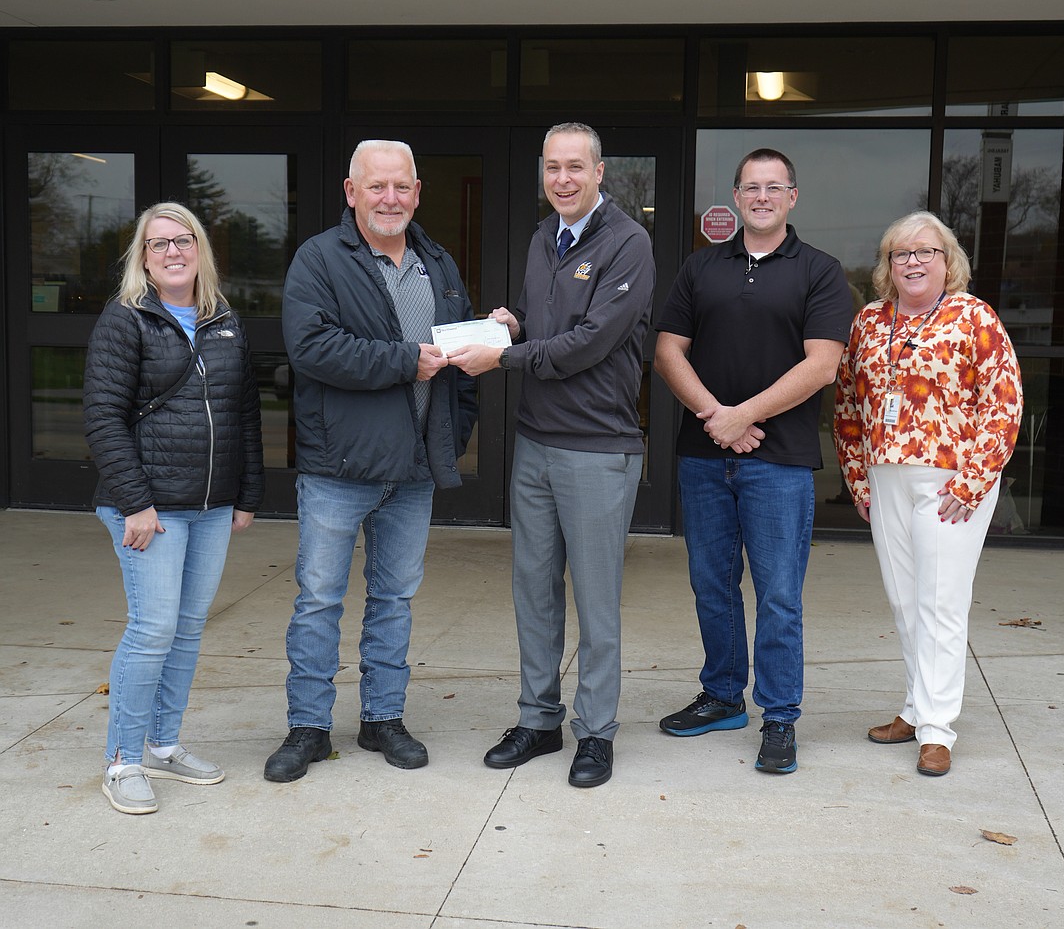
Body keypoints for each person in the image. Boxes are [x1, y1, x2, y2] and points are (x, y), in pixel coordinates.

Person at [263, 140, 477, 783]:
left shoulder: (437, 264)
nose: (390, 199)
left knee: (394, 600)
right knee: (319, 600)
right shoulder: (320, 259)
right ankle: (308, 727)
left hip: (413, 473)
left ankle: (383, 718)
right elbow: (313, 348)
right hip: (338, 467)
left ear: (417, 193)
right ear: (352, 193)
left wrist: (452, 434)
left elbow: (459, 362)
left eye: (402, 187)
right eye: (376, 187)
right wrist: (403, 361)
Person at [449, 122, 655, 788]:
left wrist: (504, 355)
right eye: (552, 168)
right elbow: (553, 330)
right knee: (534, 593)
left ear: (600, 173)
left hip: (597, 450)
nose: (562, 179)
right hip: (535, 444)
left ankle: (596, 734)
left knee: (597, 603)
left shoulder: (629, 243)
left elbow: (591, 342)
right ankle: (539, 720)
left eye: (575, 167)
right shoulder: (545, 238)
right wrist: (514, 324)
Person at [653, 148, 851, 775]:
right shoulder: (700, 266)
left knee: (777, 595)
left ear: (793, 196)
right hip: (703, 456)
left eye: (774, 187)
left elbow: (822, 364)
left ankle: (780, 718)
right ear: (736, 196)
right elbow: (667, 351)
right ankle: (721, 696)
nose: (761, 197)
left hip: (781, 461)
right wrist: (718, 415)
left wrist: (744, 417)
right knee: (711, 586)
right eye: (750, 187)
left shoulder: (820, 271)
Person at [84, 202, 264, 814]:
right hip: (150, 509)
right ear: (142, 256)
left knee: (186, 630)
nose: (171, 253)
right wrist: (135, 503)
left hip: (211, 507)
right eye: (157, 244)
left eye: (182, 241)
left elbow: (244, 413)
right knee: (153, 628)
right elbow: (103, 419)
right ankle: (122, 760)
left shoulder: (224, 319)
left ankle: (163, 744)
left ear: (200, 250)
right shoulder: (125, 319)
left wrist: (247, 494)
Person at [834, 210, 1022, 776]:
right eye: (901, 254)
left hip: (951, 484)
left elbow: (1004, 402)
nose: (913, 262)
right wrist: (858, 476)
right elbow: (847, 403)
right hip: (885, 479)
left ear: (948, 263)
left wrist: (974, 478)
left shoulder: (973, 318)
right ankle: (916, 709)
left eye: (926, 252)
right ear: (888, 266)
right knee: (904, 600)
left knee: (940, 603)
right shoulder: (868, 322)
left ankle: (938, 729)